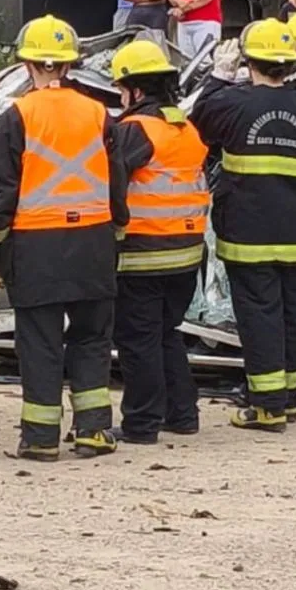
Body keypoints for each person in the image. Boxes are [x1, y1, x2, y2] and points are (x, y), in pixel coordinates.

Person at [0, 14, 129, 461]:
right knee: (92, 338)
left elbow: (2, 193)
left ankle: (41, 438)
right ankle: (93, 431)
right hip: (93, 241)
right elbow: (116, 181)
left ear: (27, 65)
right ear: (69, 66)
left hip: (35, 248)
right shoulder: (99, 113)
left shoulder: (16, 116)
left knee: (40, 343)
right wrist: (116, 229)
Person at [190, 19, 296, 432]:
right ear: (290, 66)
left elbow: (199, 119)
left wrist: (218, 76)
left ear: (248, 60)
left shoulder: (233, 104)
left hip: (246, 233)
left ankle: (268, 407)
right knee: (289, 313)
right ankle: (287, 399)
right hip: (295, 234)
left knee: (259, 318)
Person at [109, 41, 209, 443]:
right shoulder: (184, 127)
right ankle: (182, 413)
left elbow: (112, 182)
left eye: (121, 89)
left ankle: (142, 422)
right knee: (167, 333)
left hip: (144, 253)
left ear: (134, 90)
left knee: (139, 340)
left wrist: (112, 233)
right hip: (186, 253)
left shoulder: (134, 130)